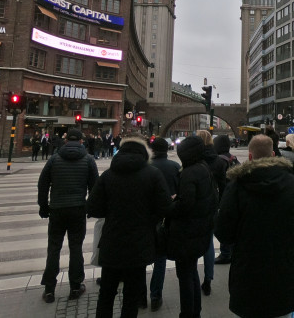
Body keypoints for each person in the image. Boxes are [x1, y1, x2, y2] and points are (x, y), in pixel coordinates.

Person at [216, 134, 294, 318]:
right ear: (274, 154)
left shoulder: (236, 186)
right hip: (284, 271)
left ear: (250, 156)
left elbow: (223, 232)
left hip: (247, 273)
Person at [87, 139, 172, 318]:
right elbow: (165, 207)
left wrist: (112, 214)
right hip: (139, 243)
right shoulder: (153, 174)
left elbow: (93, 207)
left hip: (112, 241)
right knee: (131, 296)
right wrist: (149, 219)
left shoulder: (108, 175)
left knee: (106, 293)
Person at [37, 128, 99, 303]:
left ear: (65, 141)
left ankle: (49, 289)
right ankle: (75, 286)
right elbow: (95, 187)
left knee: (54, 248)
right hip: (78, 209)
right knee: (76, 247)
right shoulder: (88, 160)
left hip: (57, 209)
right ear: (81, 141)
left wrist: (43, 206)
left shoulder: (54, 159)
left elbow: (42, 184)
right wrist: (90, 207)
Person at [166, 136, 218, 318]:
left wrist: (170, 205)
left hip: (187, 233)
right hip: (199, 230)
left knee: (185, 277)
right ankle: (196, 311)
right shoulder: (204, 168)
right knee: (192, 272)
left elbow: (185, 205)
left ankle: (188, 313)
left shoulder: (189, 173)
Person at [147, 135, 181, 311]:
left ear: (152, 150)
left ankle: (138, 295)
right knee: (160, 258)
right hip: (166, 219)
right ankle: (155, 294)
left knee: (141, 257)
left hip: (146, 218)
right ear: (167, 150)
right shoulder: (175, 167)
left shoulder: (146, 167)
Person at [195, 129, 218, 296]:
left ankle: (192, 278)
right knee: (209, 243)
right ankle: (208, 279)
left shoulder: (194, 160)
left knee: (193, 243)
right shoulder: (218, 160)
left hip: (196, 208)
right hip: (213, 207)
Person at [210, 134, 233, 265]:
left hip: (222, 198)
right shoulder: (233, 159)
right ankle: (229, 251)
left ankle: (225, 253)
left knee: (221, 226)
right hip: (232, 195)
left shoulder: (220, 160)